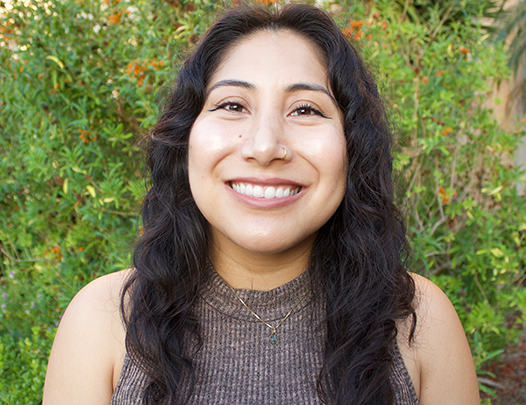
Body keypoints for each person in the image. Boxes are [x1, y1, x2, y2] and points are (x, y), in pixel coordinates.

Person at [43, 4, 479, 405]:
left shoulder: (421, 322)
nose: (266, 145)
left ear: (353, 148)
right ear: (185, 139)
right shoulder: (102, 322)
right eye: (232, 104)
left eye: (306, 110)